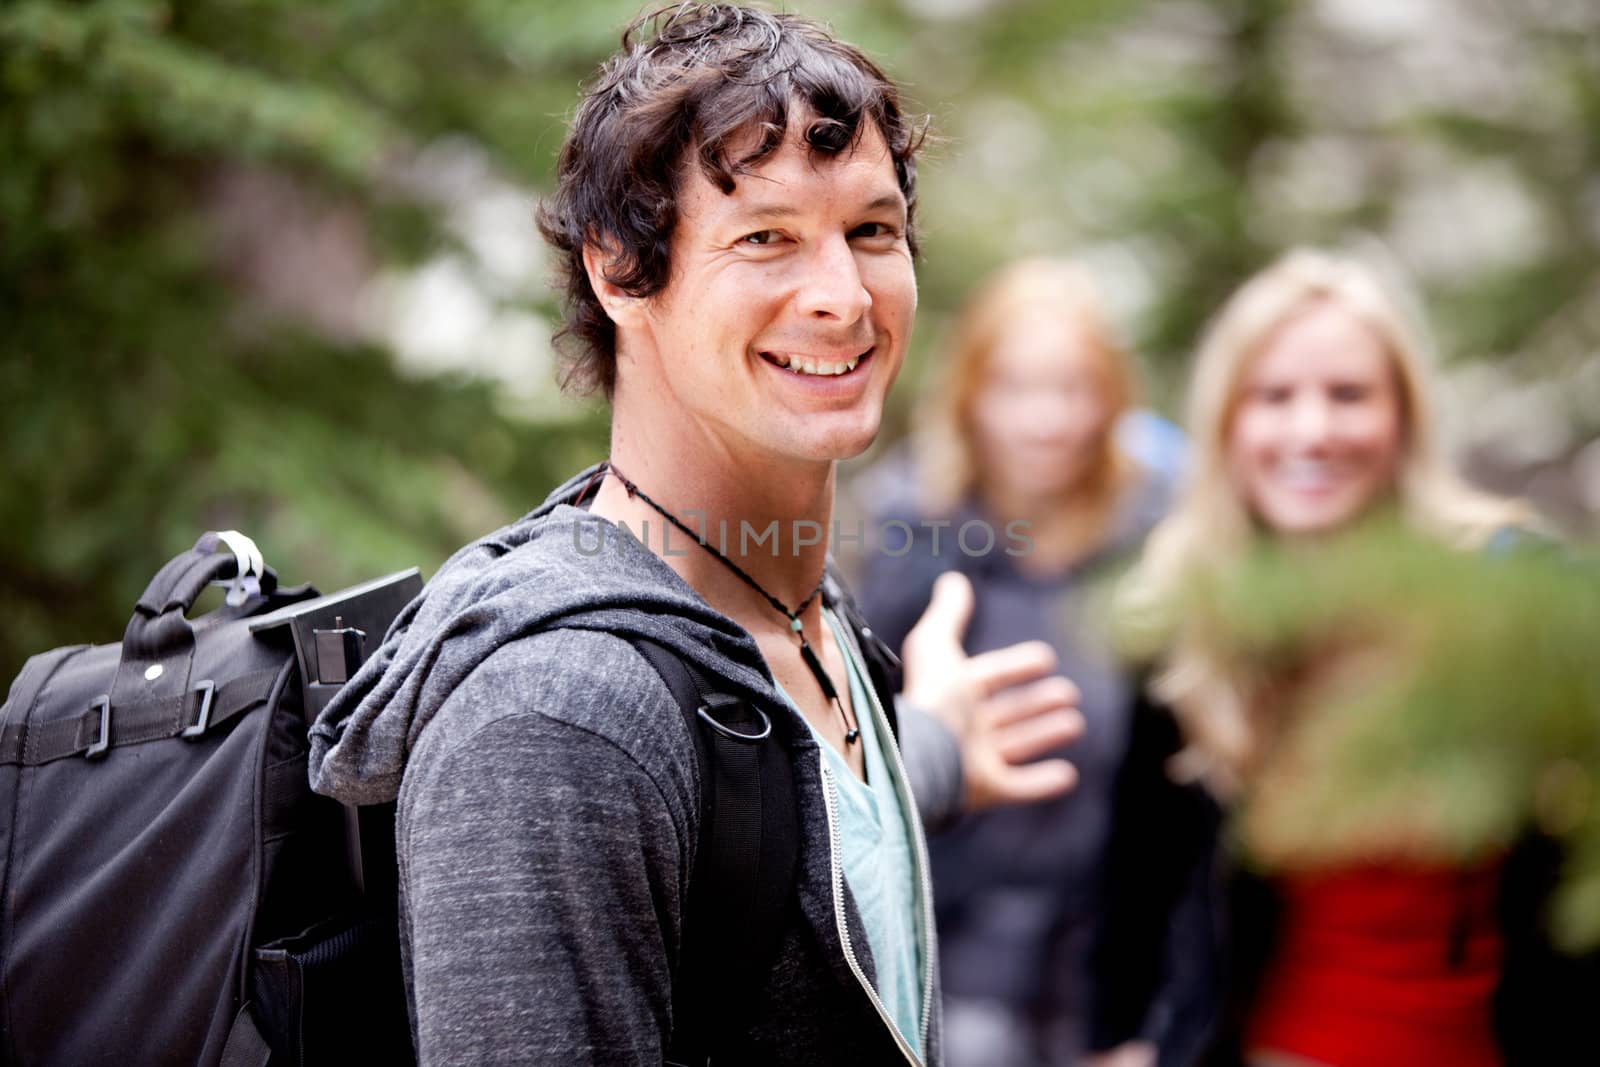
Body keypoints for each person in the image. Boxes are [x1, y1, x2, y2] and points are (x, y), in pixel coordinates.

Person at [308, 5, 1083, 1064]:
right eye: (765, 237)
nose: (842, 297)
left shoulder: (794, 615)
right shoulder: (557, 720)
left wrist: (928, 757)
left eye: (871, 231)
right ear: (620, 271)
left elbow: (780, 825)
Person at [1085, 248, 1593, 1067]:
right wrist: (1116, 1042)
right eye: (1275, 396)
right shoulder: (1190, 614)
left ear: (1403, 417)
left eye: (1349, 394)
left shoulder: (1510, 588)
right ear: (1228, 422)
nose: (1311, 430)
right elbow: (1137, 877)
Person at [854, 258, 1180, 1065]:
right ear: (970, 394)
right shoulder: (910, 527)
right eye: (1017, 387)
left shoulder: (1159, 534)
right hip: (954, 951)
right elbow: (854, 744)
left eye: (1073, 387)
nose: (1047, 419)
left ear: (1111, 399)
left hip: (1109, 955)